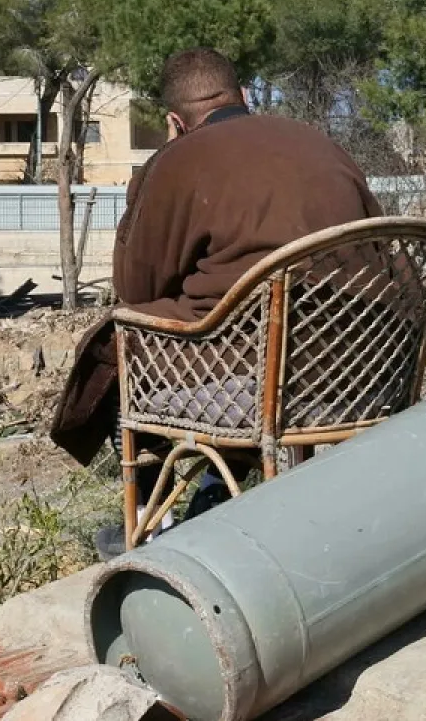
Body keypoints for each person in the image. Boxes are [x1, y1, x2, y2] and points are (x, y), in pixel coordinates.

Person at [49, 48, 385, 548]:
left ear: (174, 122)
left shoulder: (179, 159)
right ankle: (215, 496)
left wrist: (160, 169)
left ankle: (146, 518)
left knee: (122, 344)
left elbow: (136, 289)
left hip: (258, 381)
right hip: (362, 369)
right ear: (244, 97)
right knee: (223, 345)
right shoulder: (319, 143)